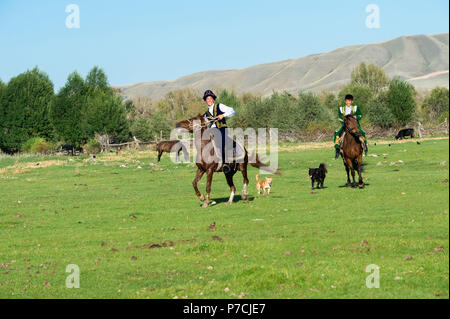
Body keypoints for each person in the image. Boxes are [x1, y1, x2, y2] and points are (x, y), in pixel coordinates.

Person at [202, 90, 235, 174]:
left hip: (222, 129)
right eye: (207, 99)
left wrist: (223, 115)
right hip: (212, 131)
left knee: (221, 143)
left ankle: (225, 163)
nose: (208, 100)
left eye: (210, 98)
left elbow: (232, 111)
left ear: (213, 99)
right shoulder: (206, 114)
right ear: (205, 101)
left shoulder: (220, 106)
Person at [333, 94, 368, 159]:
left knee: (362, 132)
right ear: (345, 101)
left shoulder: (355, 108)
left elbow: (360, 115)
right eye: (347, 101)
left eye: (349, 101)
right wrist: (344, 122)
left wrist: (354, 118)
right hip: (345, 124)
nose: (348, 102)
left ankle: (365, 145)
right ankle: (337, 149)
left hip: (354, 124)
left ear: (352, 101)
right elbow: (339, 117)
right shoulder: (341, 109)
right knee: (337, 133)